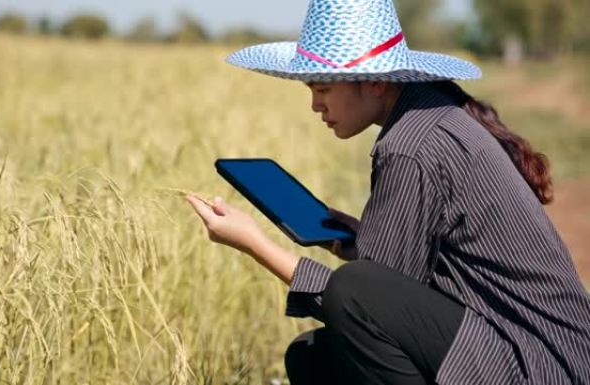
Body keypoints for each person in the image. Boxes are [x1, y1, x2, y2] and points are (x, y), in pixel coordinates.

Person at [185, 0, 590, 383]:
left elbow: (360, 301)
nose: (315, 105)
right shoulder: (430, 113)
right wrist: (355, 241)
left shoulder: (408, 145)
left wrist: (255, 244)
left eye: (323, 89)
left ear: (376, 82)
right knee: (313, 356)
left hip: (540, 361)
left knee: (351, 291)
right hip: (538, 347)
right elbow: (395, 287)